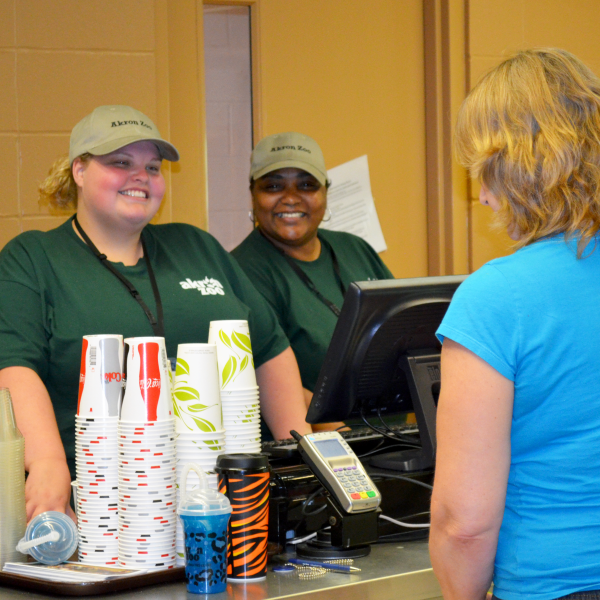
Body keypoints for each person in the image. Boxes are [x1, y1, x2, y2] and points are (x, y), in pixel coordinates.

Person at [0, 105, 311, 523]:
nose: (140, 176)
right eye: (121, 163)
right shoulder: (33, 258)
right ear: (78, 170)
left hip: (230, 504)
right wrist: (47, 465)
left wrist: (304, 453)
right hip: (104, 507)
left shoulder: (196, 246)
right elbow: (15, 367)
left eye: (152, 166)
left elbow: (269, 349)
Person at [429, 49, 600, 600]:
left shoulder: (497, 297)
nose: (479, 194)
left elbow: (465, 520)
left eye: (483, 171)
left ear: (518, 164)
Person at [231, 132, 393, 415]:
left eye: (306, 185)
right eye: (273, 186)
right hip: (318, 440)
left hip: (392, 430)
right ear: (253, 195)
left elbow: (401, 328)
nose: (291, 199)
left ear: (325, 193)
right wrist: (344, 435)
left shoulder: (355, 248)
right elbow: (271, 380)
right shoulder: (241, 271)